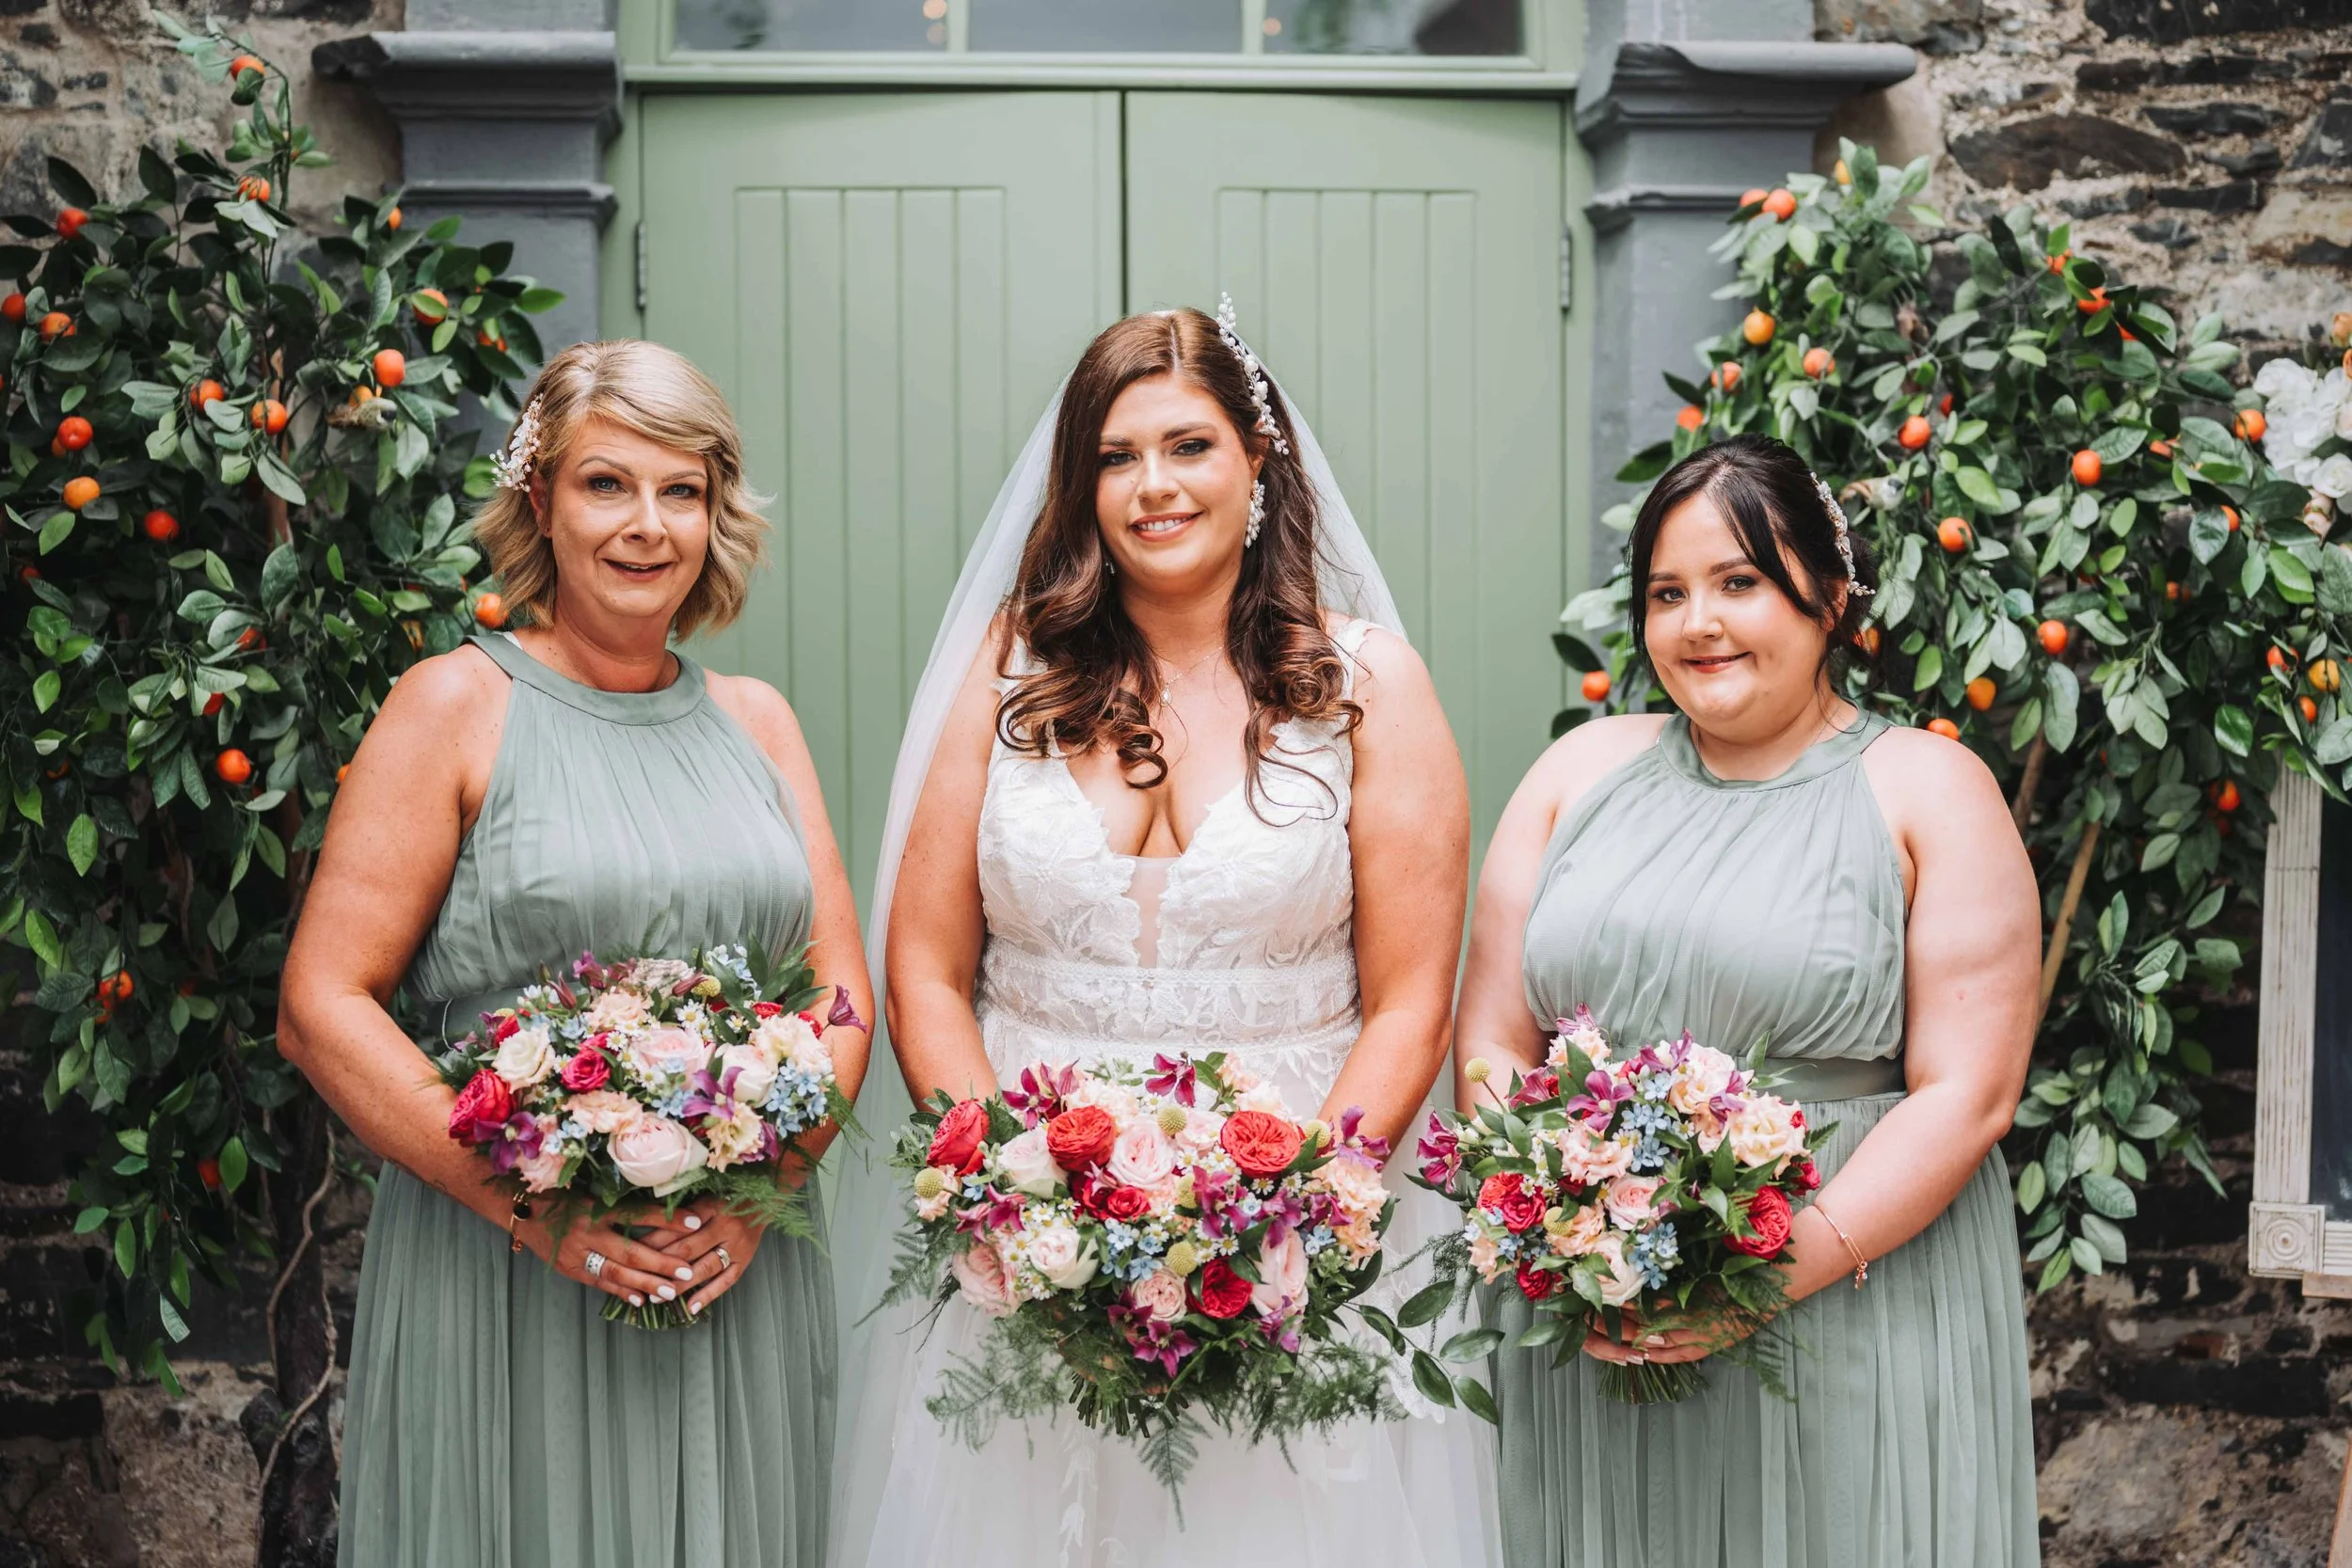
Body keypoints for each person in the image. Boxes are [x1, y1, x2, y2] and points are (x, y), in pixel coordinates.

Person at [827, 303, 1502, 1567]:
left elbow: (1412, 995)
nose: (1153, 485)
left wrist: (1297, 1209)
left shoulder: (1371, 688)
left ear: (1259, 460)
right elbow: (924, 965)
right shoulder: (1006, 674)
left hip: (1293, 1237)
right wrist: (1005, 1192)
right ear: (1082, 485)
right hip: (1033, 1229)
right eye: (1116, 455)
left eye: (1188, 445)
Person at [278, 339, 871, 1568]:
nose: (648, 524)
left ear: (717, 513)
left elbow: (841, 996)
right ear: (539, 499)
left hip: (730, 1275)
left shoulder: (759, 723)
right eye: (609, 484)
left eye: (683, 490)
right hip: (508, 1276)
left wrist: (760, 1197)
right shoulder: (449, 703)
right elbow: (321, 1004)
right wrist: (529, 1205)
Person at [1454, 433, 2041, 1568]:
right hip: (1596, 1313)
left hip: (1846, 1295)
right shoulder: (1577, 772)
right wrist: (1549, 1210)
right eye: (1666, 592)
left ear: (1826, 593)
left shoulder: (1927, 786)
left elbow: (1968, 1092)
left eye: (1739, 582)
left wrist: (1768, 1278)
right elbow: (1490, 1036)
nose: (1697, 623)